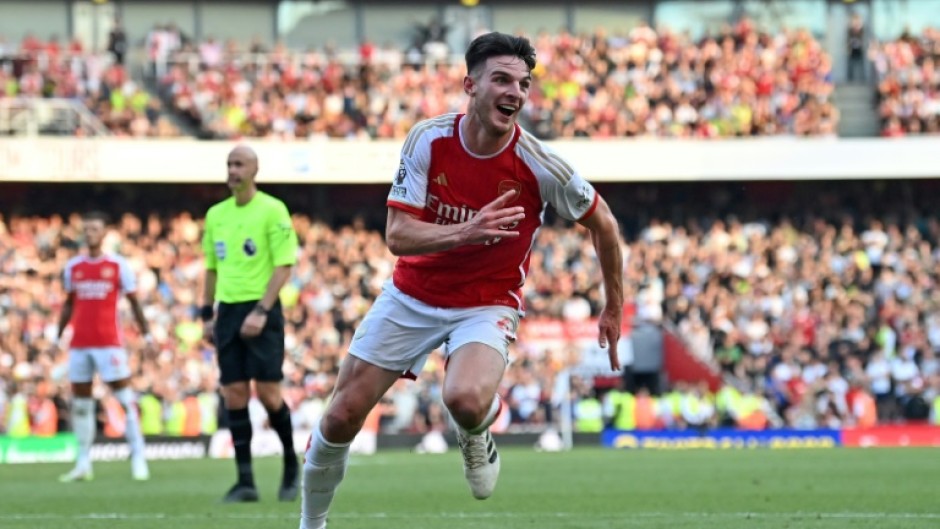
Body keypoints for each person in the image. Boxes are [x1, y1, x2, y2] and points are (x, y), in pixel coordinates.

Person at [300, 31, 624, 529]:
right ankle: (311, 525)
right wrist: (467, 229)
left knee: (464, 400)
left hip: (487, 302)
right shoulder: (428, 139)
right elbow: (398, 234)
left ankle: (476, 431)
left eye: (523, 83)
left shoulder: (539, 164)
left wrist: (613, 307)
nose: (515, 92)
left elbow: (604, 224)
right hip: (412, 294)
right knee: (340, 416)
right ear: (470, 85)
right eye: (501, 79)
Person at [201, 145, 300, 503]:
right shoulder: (215, 215)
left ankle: (291, 467)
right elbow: (211, 267)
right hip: (227, 311)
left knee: (269, 394)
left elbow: (284, 265)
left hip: (262, 309)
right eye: (229, 163)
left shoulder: (273, 210)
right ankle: (245, 482)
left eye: (239, 164)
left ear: (255, 170)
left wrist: (261, 310)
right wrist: (205, 314)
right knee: (234, 394)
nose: (232, 170)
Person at [58, 211, 153, 482]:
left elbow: (134, 303)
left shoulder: (118, 265)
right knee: (81, 404)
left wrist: (147, 335)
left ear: (104, 233)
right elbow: (68, 304)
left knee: (124, 399)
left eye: (94, 229)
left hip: (109, 343)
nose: (90, 234)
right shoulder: (73, 267)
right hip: (80, 344)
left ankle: (138, 456)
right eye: (86, 229)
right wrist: (58, 334)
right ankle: (83, 462)